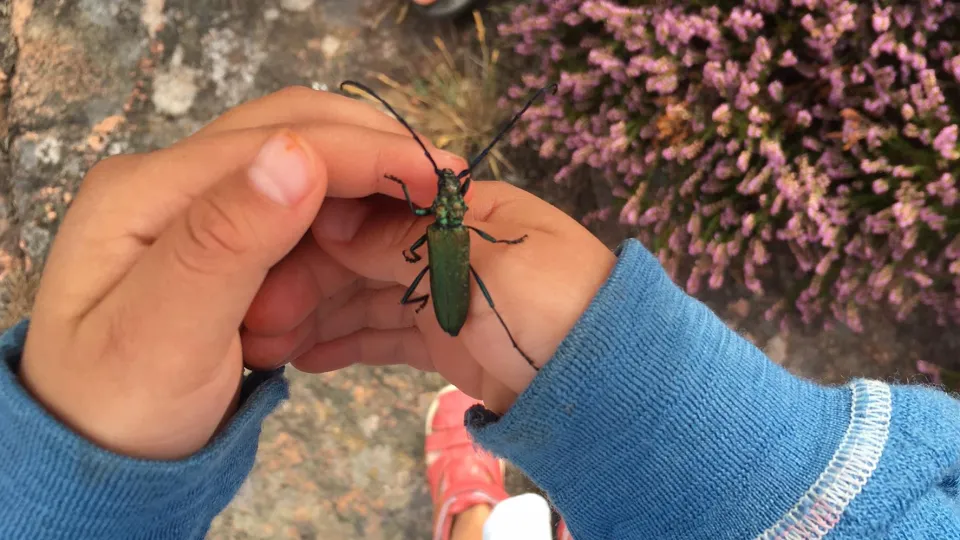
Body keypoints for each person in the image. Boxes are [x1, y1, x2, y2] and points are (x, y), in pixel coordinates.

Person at [0, 86, 957, 540]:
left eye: (445, 216)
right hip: (451, 289)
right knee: (446, 296)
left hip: (447, 284)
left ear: (443, 218)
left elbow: (446, 270)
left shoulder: (440, 237)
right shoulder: (446, 232)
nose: (445, 217)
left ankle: (473, 520)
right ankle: (494, 514)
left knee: (444, 294)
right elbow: (447, 269)